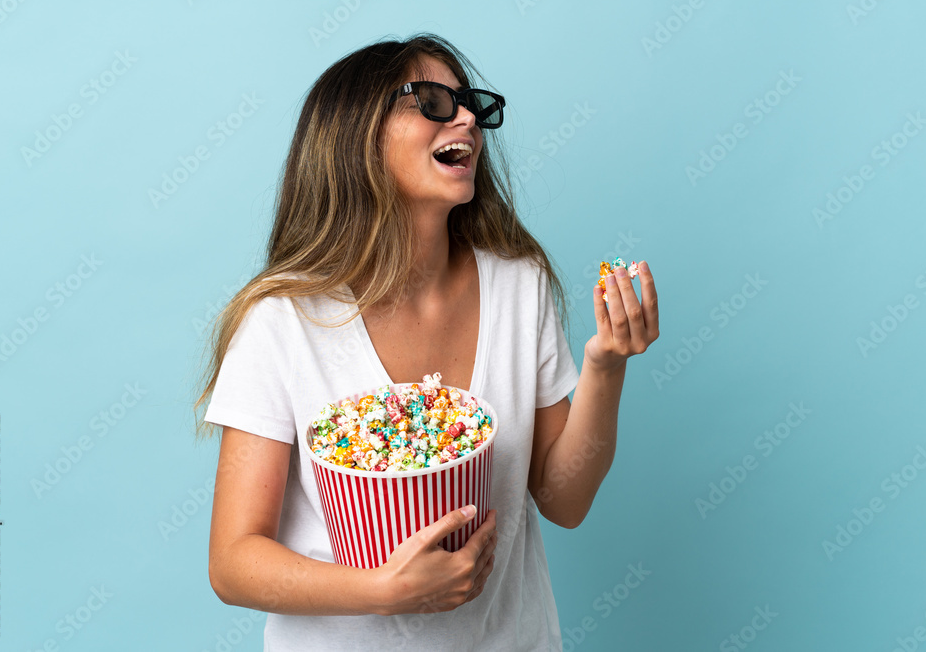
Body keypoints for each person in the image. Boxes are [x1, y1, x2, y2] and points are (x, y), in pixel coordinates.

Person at [195, 33, 659, 651]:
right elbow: (232, 562)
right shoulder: (283, 321)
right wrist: (386, 591)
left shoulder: (519, 285)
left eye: (471, 104)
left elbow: (564, 500)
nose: (466, 118)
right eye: (434, 102)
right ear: (355, 134)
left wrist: (606, 365)